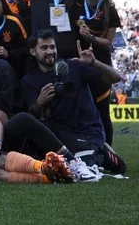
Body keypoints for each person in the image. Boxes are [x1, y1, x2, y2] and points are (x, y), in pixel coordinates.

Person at [22, 30, 126, 175]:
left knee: (81, 163)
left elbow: (115, 78)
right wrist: (40, 102)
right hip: (60, 135)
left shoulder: (74, 65)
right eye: (44, 48)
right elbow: (33, 115)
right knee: (52, 161)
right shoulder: (29, 80)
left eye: (52, 47)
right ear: (33, 51)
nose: (50, 51)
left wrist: (94, 63)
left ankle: (102, 153)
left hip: (87, 130)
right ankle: (98, 152)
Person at [76, 0, 120, 145]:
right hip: (80, 63)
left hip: (100, 65)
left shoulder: (109, 9)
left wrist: (91, 38)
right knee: (81, 112)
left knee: (102, 112)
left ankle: (109, 155)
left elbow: (109, 42)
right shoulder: (77, 0)